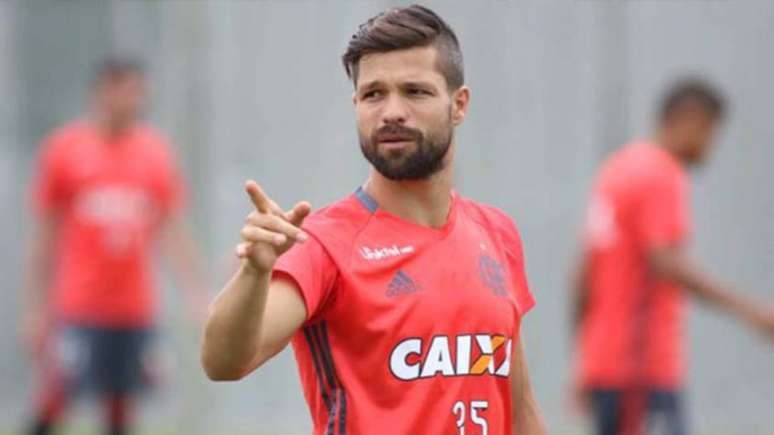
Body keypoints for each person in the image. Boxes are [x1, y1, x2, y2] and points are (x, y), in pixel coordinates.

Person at [201, 5, 546, 435]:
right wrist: (254, 273)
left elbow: (519, 407)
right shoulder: (324, 244)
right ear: (357, 105)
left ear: (459, 105)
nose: (391, 112)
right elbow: (223, 362)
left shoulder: (497, 233)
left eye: (415, 91)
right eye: (373, 94)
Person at [571, 78, 774, 435]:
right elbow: (666, 261)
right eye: (711, 132)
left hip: (607, 364)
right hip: (642, 368)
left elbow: (583, 273)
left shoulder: (616, 170)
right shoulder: (661, 173)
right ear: (690, 121)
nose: (710, 146)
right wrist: (750, 310)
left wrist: (584, 361)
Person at [21, 56, 208, 435]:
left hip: (133, 308)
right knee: (57, 395)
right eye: (125, 91)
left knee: (122, 404)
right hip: (79, 306)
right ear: (102, 93)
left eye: (139, 92)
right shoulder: (65, 149)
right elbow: (45, 235)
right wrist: (36, 309)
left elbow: (170, 229)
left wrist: (196, 292)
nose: (134, 101)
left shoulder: (153, 153)